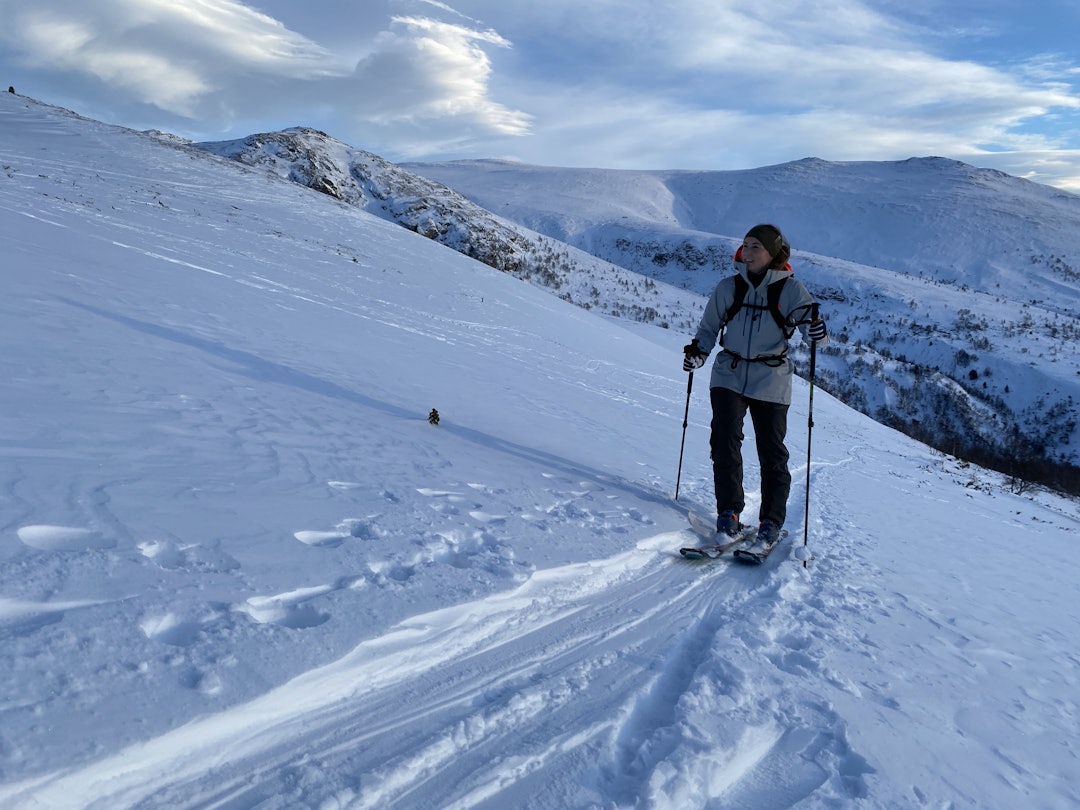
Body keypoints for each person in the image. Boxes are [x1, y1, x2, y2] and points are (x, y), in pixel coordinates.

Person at [683, 223, 828, 546]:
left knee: (772, 453)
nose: (746, 253)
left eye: (754, 247)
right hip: (729, 372)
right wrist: (698, 354)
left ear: (772, 254)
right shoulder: (728, 287)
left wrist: (819, 331)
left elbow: (814, 331)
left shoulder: (790, 290)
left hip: (771, 378)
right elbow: (708, 329)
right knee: (724, 439)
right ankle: (729, 513)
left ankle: (771, 521)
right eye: (745, 245)